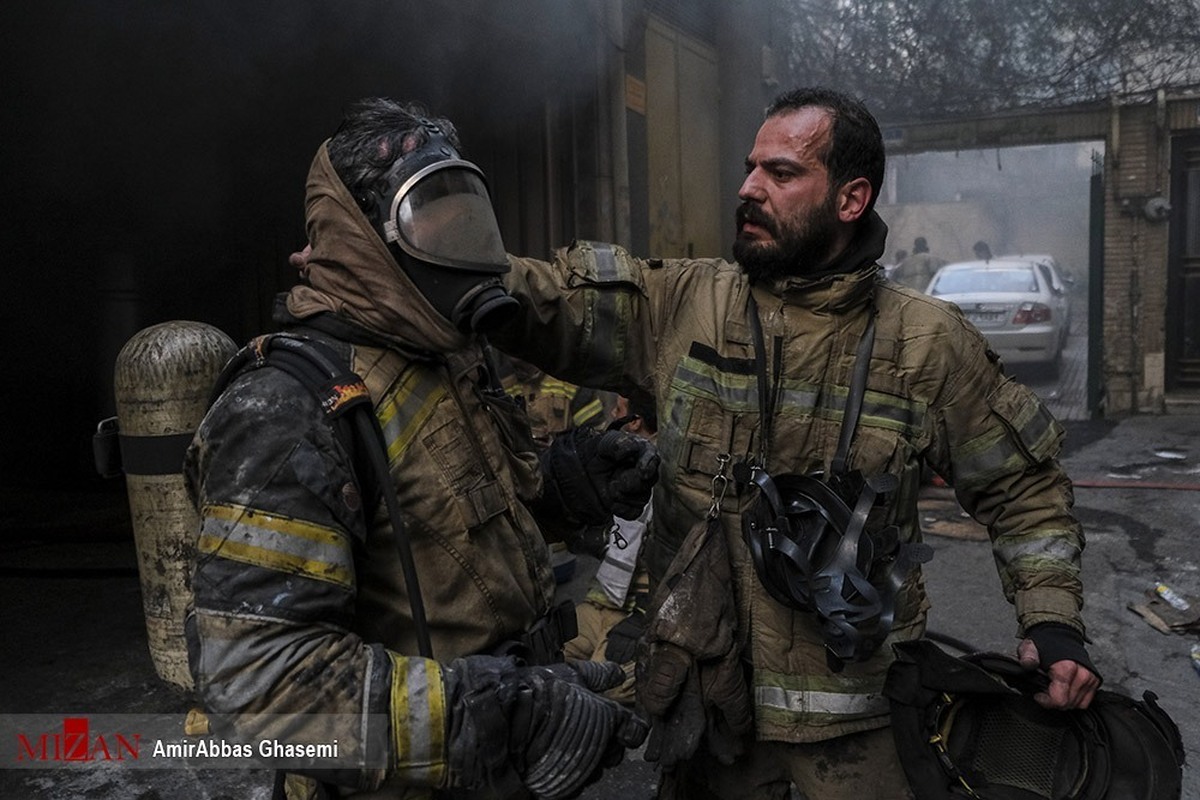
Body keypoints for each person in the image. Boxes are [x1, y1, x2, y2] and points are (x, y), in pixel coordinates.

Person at [493, 86, 1100, 799]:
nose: (749, 188)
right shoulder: (684, 306)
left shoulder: (926, 344)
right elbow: (537, 299)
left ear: (851, 199)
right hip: (710, 725)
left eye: (782, 174)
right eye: (752, 168)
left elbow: (1024, 490)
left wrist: (1052, 621)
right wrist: (404, 255)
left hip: (862, 739)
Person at [184, 98, 657, 799]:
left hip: (498, 776)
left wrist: (562, 486)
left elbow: (439, 526)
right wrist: (498, 715)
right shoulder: (285, 409)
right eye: (432, 212)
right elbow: (262, 685)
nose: (463, 235)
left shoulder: (445, 359)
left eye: (466, 206)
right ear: (360, 236)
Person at [563, 395, 657, 705]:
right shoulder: (612, 468)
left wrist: (645, 618)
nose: (610, 415)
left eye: (617, 409)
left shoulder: (667, 476)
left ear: (634, 422)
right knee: (543, 656)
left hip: (638, 611)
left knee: (609, 686)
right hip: (601, 602)